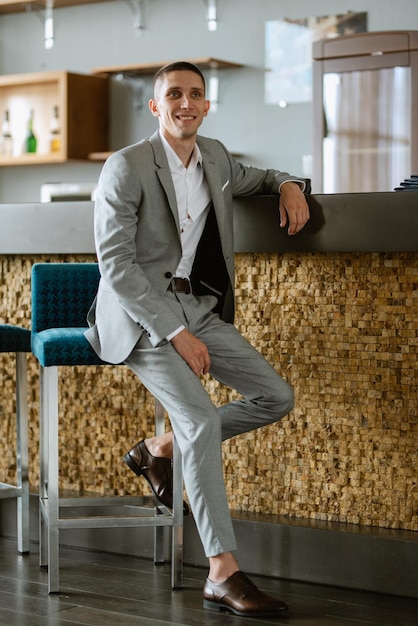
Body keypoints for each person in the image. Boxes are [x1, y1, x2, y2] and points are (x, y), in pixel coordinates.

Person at [86, 60, 310, 618]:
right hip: (142, 317)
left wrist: (286, 184)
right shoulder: (125, 166)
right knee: (203, 421)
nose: (186, 103)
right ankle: (220, 572)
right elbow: (116, 266)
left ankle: (158, 450)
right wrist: (175, 331)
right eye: (174, 96)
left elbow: (257, 177)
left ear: (206, 105)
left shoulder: (214, 156)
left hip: (199, 305)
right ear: (155, 106)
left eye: (195, 95)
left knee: (276, 397)